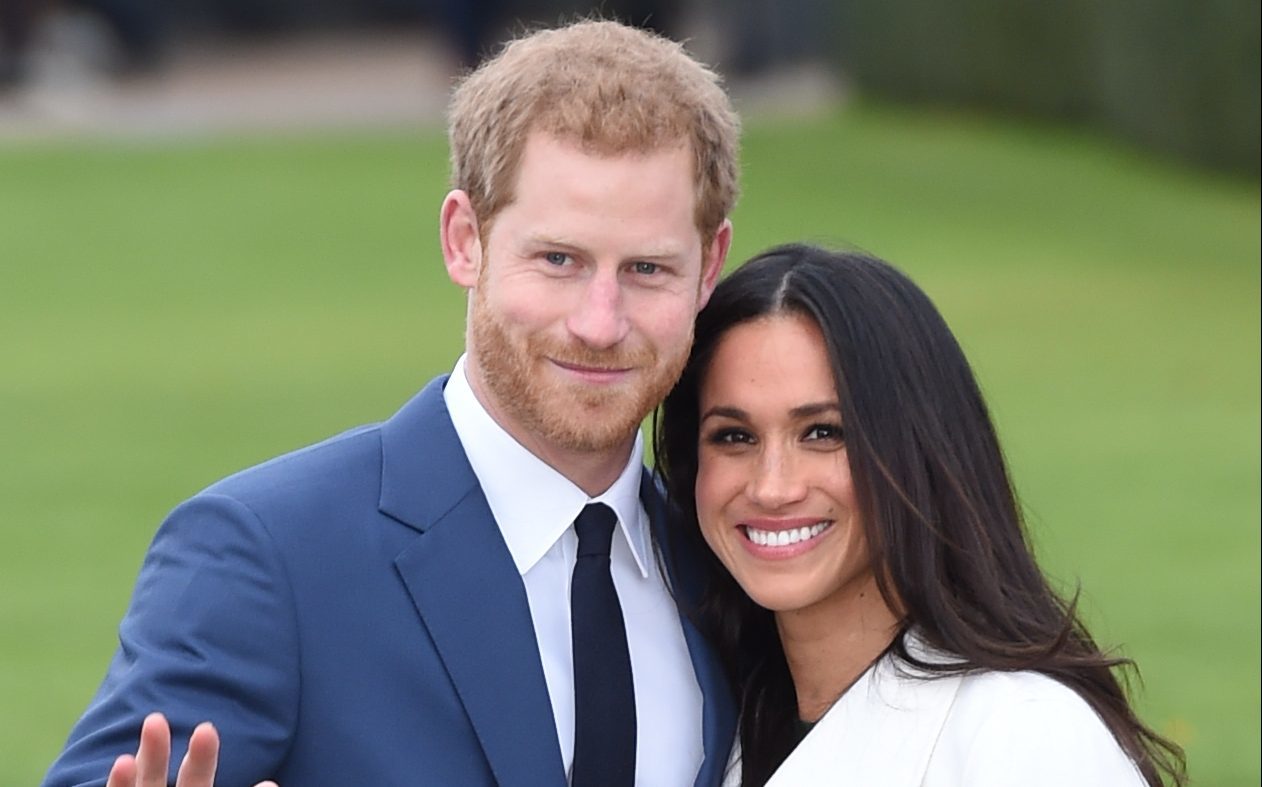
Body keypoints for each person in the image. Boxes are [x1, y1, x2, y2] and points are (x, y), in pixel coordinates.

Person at [43, 19, 740, 787]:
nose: (599, 322)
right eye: (558, 259)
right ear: (464, 239)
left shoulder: (729, 565)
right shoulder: (268, 556)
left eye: (646, 268)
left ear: (709, 267)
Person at [655, 244, 1187, 786]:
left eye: (823, 433)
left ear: (918, 450)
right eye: (734, 436)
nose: (771, 487)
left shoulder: (1023, 734)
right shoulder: (707, 724)